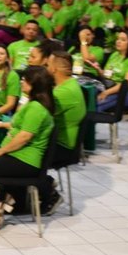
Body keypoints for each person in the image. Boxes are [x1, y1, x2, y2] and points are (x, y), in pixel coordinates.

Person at [0, 66, 55, 230]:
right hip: (18, 155)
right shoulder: (33, 104)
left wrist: (2, 151)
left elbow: (24, 136)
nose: (22, 82)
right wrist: (2, 124)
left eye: (25, 80)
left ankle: (1, 200)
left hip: (25, 161)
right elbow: (21, 125)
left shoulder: (36, 108)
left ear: (35, 85)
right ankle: (2, 201)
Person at [42, 51, 86, 213]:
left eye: (47, 65)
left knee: (21, 156)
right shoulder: (70, 84)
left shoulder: (63, 93)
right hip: (62, 141)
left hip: (61, 147)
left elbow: (38, 115)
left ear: (54, 69)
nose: (45, 67)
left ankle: (49, 192)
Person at [91, 30, 128, 112]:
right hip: (109, 87)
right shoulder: (114, 55)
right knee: (88, 99)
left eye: (123, 40)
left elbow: (125, 85)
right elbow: (107, 76)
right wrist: (98, 69)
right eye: (118, 39)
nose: (118, 42)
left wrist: (106, 92)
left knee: (95, 106)